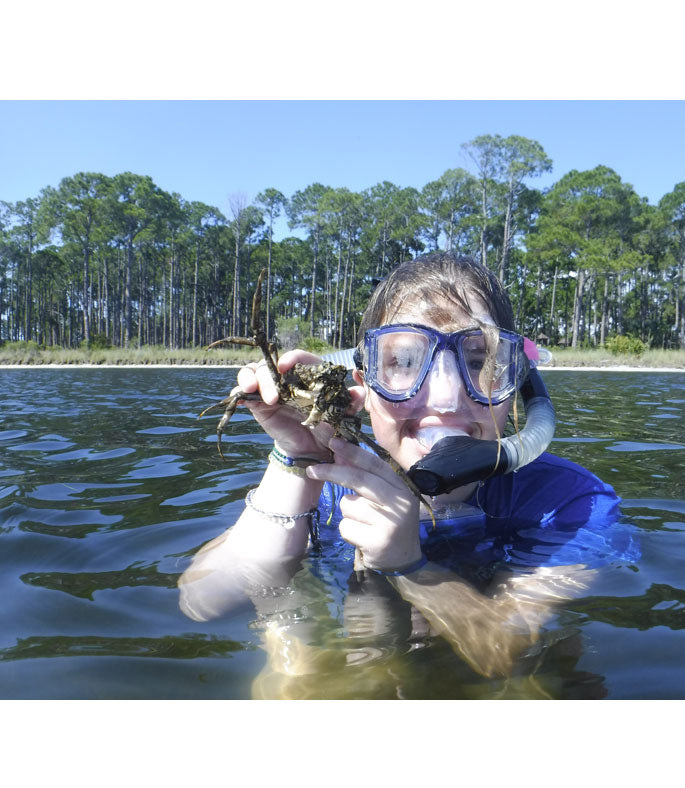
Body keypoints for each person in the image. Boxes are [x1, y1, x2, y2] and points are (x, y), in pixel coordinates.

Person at [179, 253, 636, 697]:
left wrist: (409, 566)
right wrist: (294, 460)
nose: (446, 397)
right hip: (354, 660)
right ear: (365, 384)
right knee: (292, 681)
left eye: (479, 362)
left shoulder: (570, 504)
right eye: (403, 362)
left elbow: (503, 650)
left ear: (515, 384)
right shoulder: (327, 483)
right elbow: (203, 602)